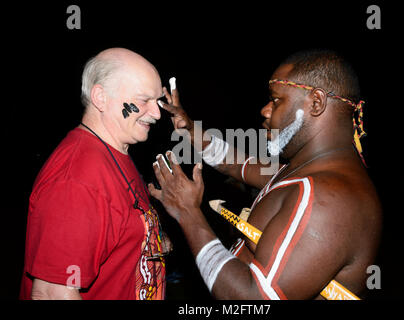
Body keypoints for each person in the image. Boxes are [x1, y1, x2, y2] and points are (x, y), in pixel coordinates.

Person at [150, 49, 382, 299]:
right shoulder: (302, 172)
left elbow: (253, 299)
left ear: (316, 102)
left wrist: (188, 213)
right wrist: (190, 130)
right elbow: (235, 164)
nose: (265, 110)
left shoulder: (329, 199)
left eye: (276, 100)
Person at [20, 48, 170, 300]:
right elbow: (51, 293)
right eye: (144, 100)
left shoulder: (114, 151)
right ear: (100, 97)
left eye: (157, 101)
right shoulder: (77, 180)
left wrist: (152, 240)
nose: (157, 113)